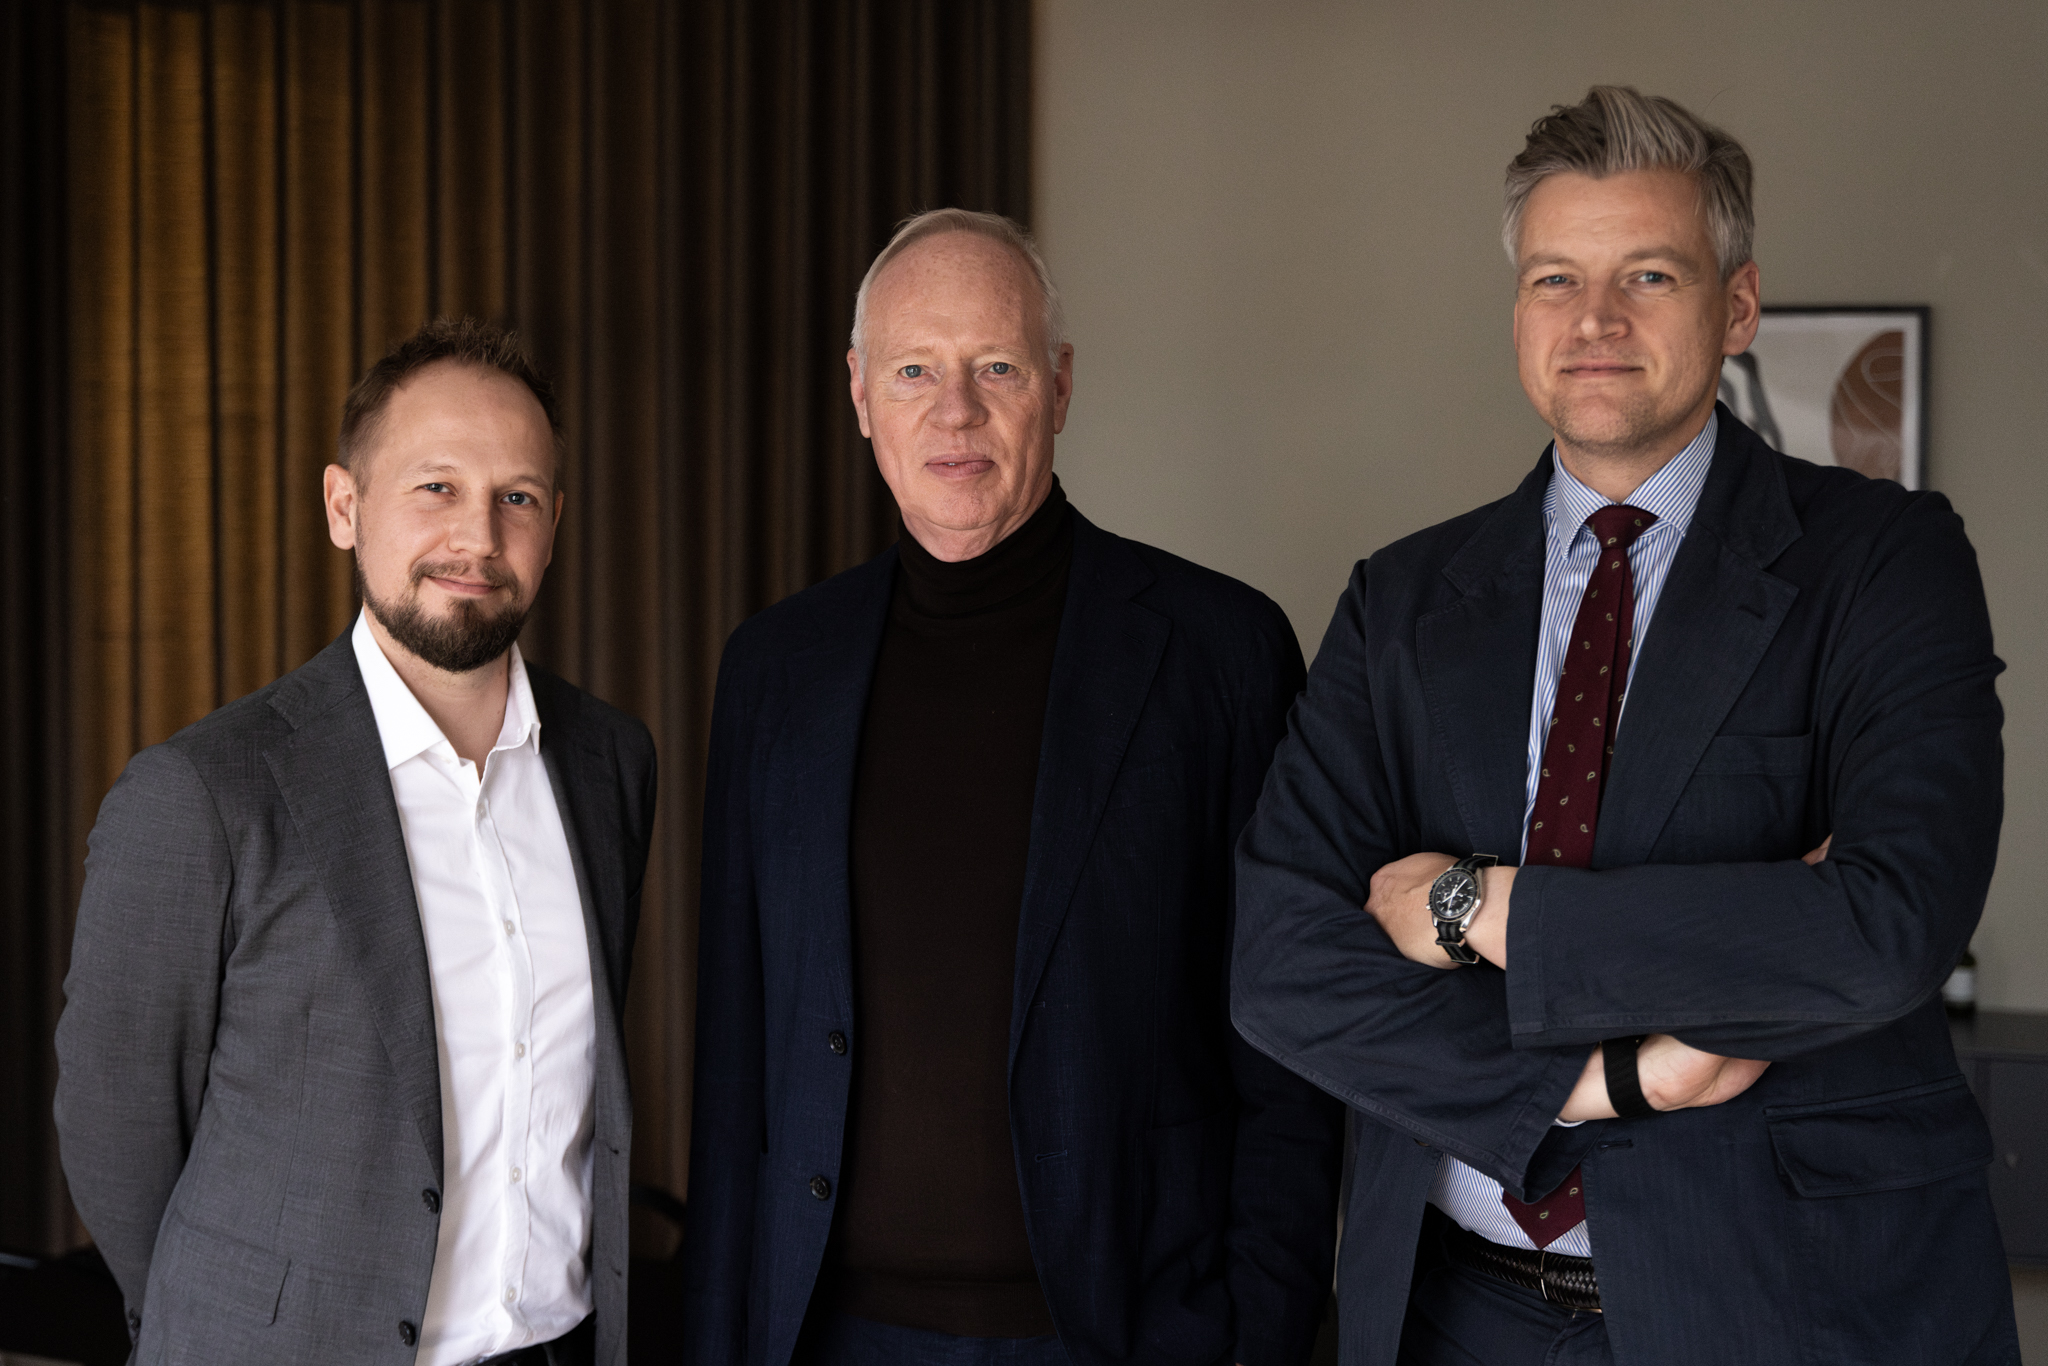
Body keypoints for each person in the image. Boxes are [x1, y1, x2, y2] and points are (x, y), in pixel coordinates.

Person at [1232, 87, 2017, 1366]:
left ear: (1736, 307)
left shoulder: (1884, 561)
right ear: (1517, 314)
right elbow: (1279, 963)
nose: (1593, 319)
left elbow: (1885, 926)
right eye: (1554, 278)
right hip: (1450, 1315)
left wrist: (1478, 908)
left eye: (1647, 274)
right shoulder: (1401, 601)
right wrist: (1614, 1078)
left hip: (1793, 1310)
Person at [681, 209, 1345, 1366]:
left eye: (995, 366)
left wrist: (1262, 1333)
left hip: (1127, 1333)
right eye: (912, 371)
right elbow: (735, 1067)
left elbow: (1286, 1050)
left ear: (1060, 384)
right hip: (826, 1336)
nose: (955, 410)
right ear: (857, 392)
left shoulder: (1218, 653)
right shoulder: (774, 670)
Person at [55, 318, 656, 1366]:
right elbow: (116, 1127)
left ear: (554, 523)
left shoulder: (610, 761)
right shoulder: (203, 793)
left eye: (516, 497)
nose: (478, 537)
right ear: (345, 507)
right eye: (436, 487)